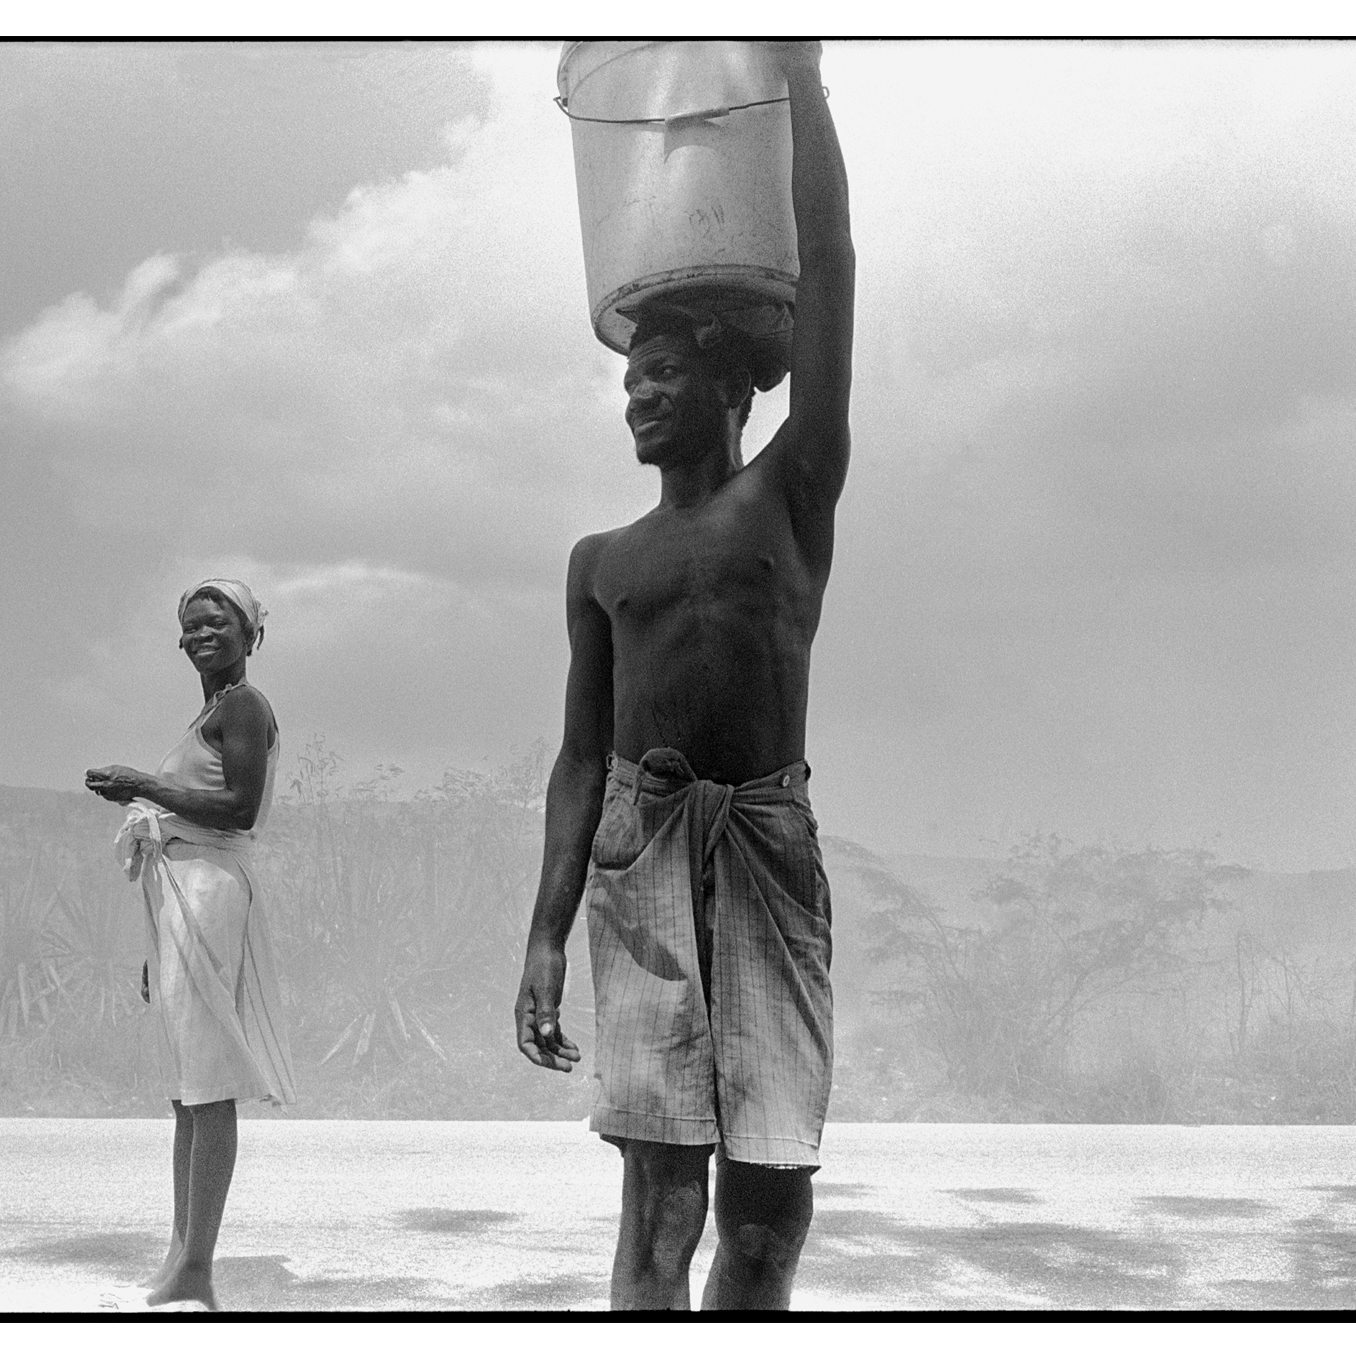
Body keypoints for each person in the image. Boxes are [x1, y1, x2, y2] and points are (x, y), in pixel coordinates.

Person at [513, 42, 854, 1311]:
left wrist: (802, 85)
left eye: (663, 375)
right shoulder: (600, 562)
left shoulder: (791, 496)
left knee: (765, 1214)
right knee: (658, 1199)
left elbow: (831, 275)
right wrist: (544, 937)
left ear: (730, 385)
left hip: (766, 843)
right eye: (628, 379)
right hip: (640, 847)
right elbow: (578, 759)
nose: (638, 398)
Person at [86, 578, 292, 1312]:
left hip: (209, 887)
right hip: (185, 893)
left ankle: (198, 1263)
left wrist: (143, 783)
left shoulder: (243, 705)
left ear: (249, 634)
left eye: (218, 621)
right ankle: (182, 1252)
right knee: (186, 1088)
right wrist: (158, 947)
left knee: (207, 1083)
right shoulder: (209, 710)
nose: (202, 633)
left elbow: (236, 807)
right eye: (191, 624)